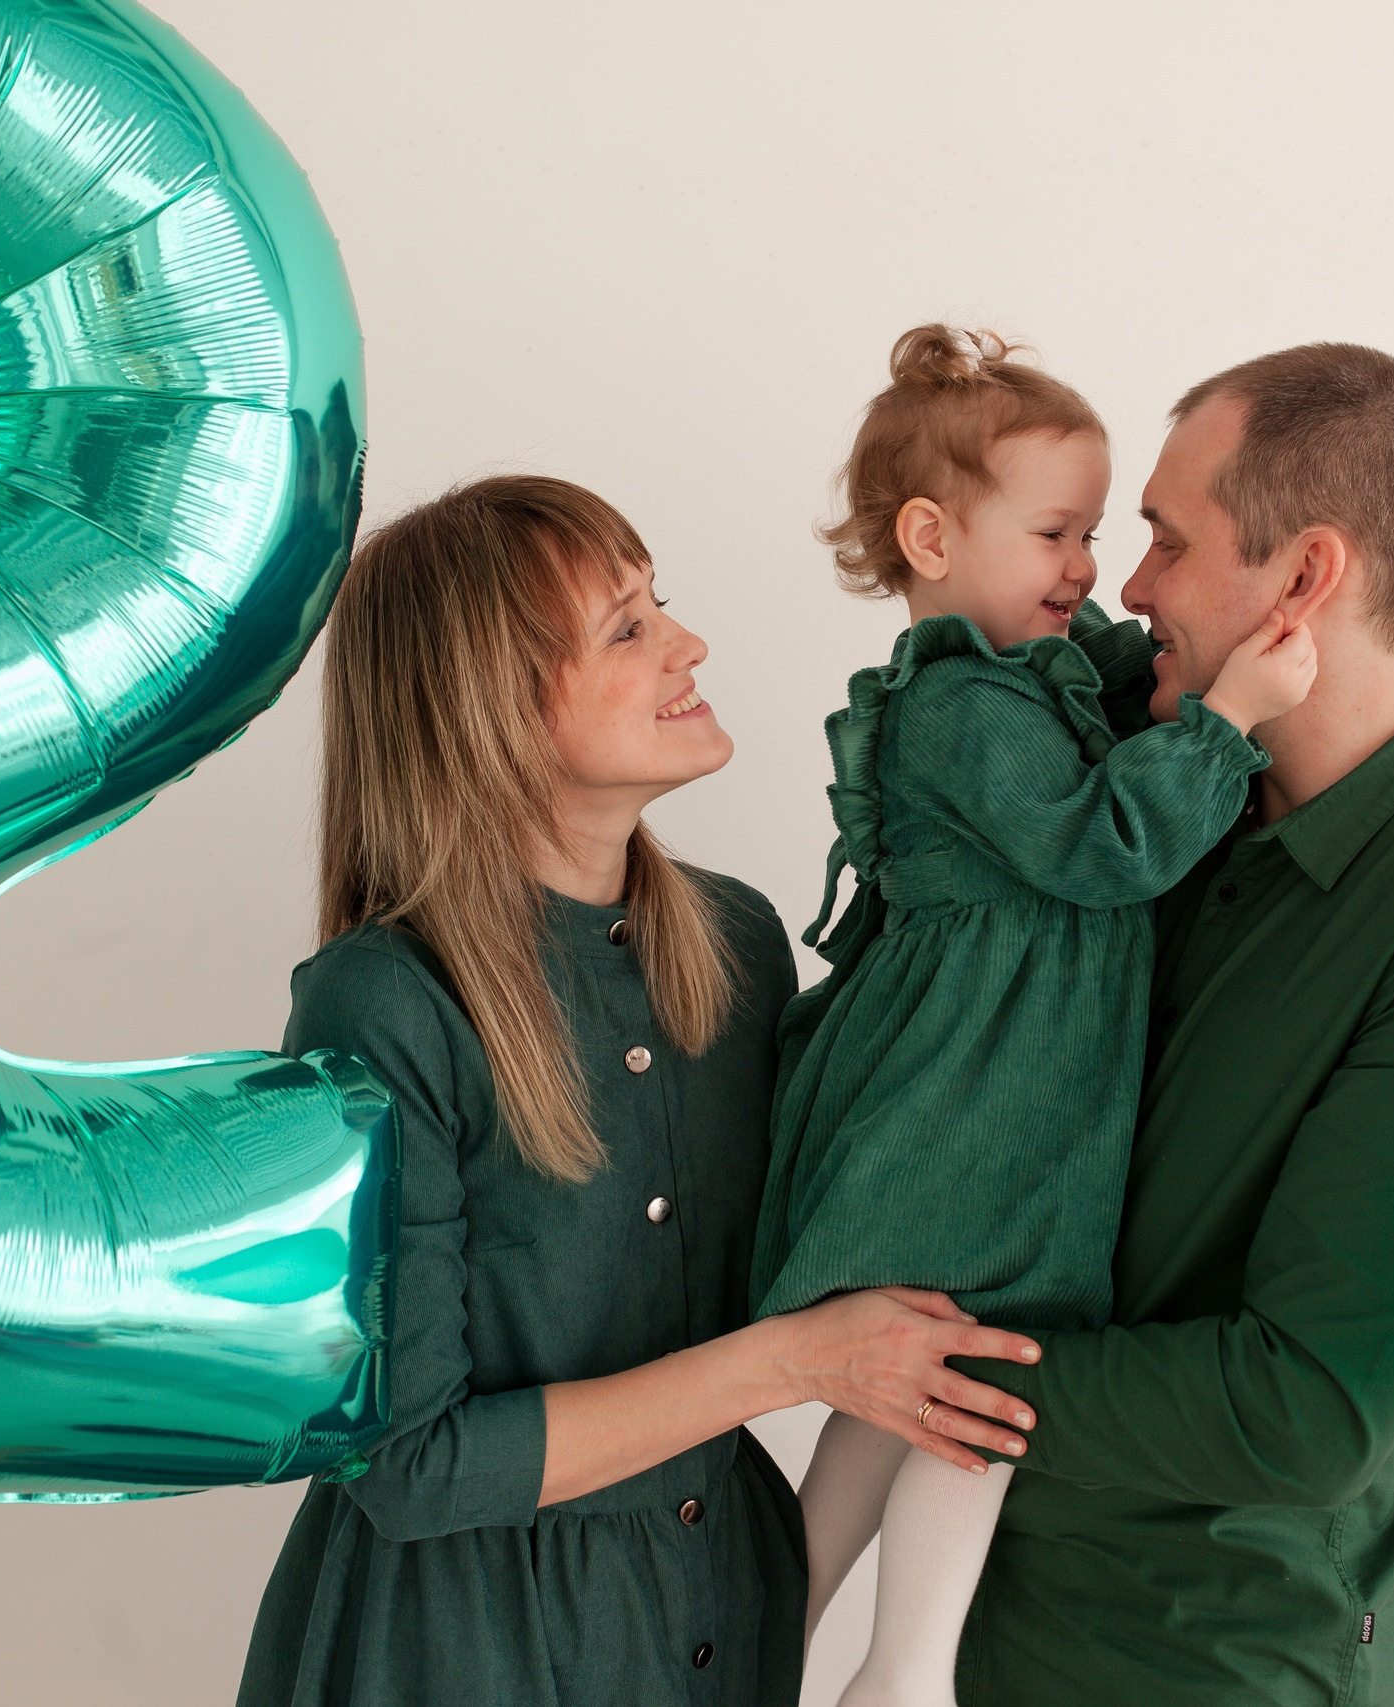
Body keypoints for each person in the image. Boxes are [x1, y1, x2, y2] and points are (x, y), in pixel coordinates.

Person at [235, 476, 1045, 1707]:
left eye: (657, 604)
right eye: (627, 626)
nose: (688, 642)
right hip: (450, 1656)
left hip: (716, 1621)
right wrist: (798, 1363)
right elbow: (411, 1467)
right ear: (489, 709)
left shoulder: (736, 939)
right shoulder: (384, 1003)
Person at [951, 345, 1394, 1706]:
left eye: (1168, 542)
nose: (1128, 588)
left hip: (1220, 1668)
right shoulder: (1162, 778)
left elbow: (1307, 1406)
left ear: (1304, 579)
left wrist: (929, 1372)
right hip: (1000, 1627)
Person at [747, 325, 1316, 1707]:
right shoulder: (962, 711)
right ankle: (906, 1666)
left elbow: (1119, 680)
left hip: (1002, 1076)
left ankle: (775, 1643)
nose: (1087, 571)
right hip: (981, 1095)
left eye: (1096, 533)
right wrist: (1229, 719)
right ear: (933, 536)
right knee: (981, 1370)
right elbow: (1105, 842)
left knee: (905, 1389)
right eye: (1057, 534)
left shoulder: (1027, 684)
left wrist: (1190, 662)